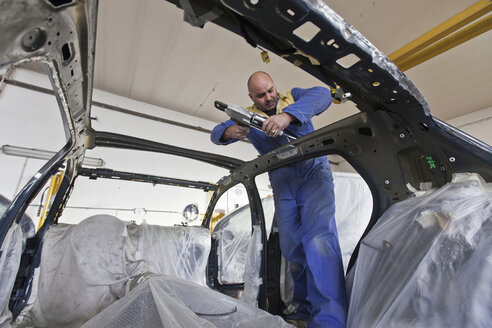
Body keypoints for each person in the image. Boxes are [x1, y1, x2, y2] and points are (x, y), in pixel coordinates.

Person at [210, 71, 347, 328]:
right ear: (252, 97)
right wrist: (231, 130)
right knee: (292, 246)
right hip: (283, 182)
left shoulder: (292, 97)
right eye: (261, 95)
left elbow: (322, 95)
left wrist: (286, 117)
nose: (268, 97)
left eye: (270, 90)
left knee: (318, 241)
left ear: (276, 86)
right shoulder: (248, 117)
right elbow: (216, 133)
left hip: (313, 175)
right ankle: (303, 310)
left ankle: (329, 321)